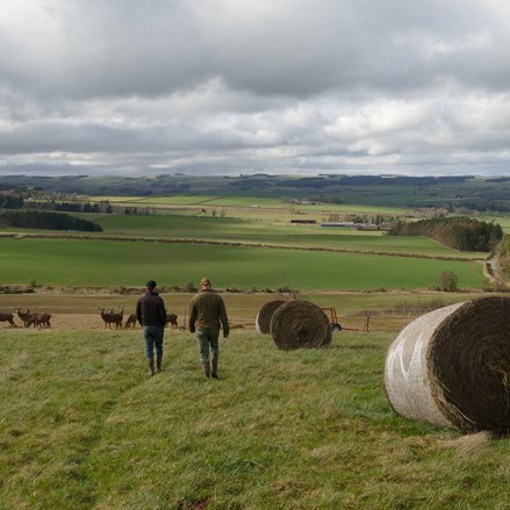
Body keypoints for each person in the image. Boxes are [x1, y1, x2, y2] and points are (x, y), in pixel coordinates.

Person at [188, 277, 229, 379]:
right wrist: (226, 330)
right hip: (214, 328)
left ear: (201, 286)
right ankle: (214, 372)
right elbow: (224, 316)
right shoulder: (218, 298)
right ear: (210, 285)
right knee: (214, 348)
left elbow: (191, 316)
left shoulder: (195, 298)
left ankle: (206, 375)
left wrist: (191, 328)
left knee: (203, 352)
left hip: (201, 328)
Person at [136, 280, 167, 376]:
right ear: (155, 287)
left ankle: (151, 371)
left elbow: (137, 314)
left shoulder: (141, 300)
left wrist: (142, 324)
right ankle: (158, 368)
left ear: (146, 287)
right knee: (159, 347)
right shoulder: (159, 299)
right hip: (158, 327)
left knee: (149, 348)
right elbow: (163, 314)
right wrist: (162, 324)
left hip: (147, 327)